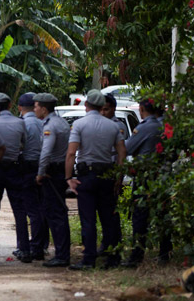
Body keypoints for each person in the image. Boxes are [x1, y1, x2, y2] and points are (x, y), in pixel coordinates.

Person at [66, 89, 126, 270]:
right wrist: (119, 176)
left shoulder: (79, 124)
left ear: (86, 105)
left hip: (87, 176)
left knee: (88, 219)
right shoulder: (114, 126)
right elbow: (122, 152)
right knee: (109, 218)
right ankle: (112, 257)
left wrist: (69, 177)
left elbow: (71, 152)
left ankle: (89, 259)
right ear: (101, 107)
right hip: (107, 175)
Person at [121, 98, 168, 266]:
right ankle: (164, 253)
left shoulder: (144, 127)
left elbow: (127, 148)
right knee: (163, 214)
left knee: (140, 217)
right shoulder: (165, 126)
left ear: (141, 109)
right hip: (164, 175)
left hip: (146, 177)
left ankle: (136, 256)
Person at [0, 93, 27, 261]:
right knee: (19, 209)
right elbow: (23, 144)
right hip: (14, 168)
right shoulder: (20, 123)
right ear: (10, 105)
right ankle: (25, 249)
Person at [33, 93, 72, 268]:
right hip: (60, 170)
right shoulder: (61, 122)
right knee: (58, 212)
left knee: (56, 214)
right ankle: (62, 253)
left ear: (43, 108)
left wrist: (40, 173)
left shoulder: (50, 126)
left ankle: (62, 256)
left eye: (36, 106)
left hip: (53, 173)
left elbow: (46, 152)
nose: (34, 109)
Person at [17, 92, 48, 260]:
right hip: (43, 167)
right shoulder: (44, 122)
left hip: (28, 168)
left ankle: (34, 247)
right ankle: (42, 244)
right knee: (42, 207)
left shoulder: (23, 124)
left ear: (20, 108)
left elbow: (19, 147)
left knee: (32, 210)